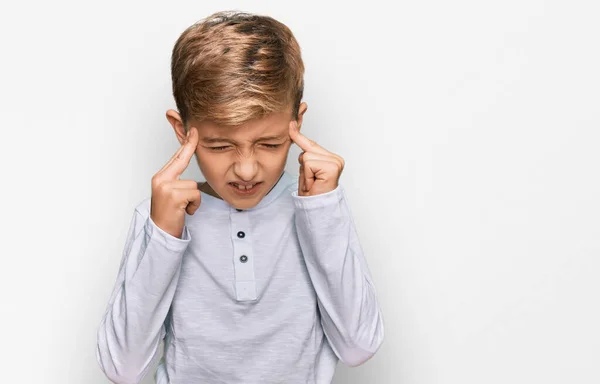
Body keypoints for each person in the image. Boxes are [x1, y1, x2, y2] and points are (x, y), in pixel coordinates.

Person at [95, 10, 384, 384]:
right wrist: (163, 236)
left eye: (269, 143)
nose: (246, 170)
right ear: (182, 132)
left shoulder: (317, 209)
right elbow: (123, 370)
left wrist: (323, 211)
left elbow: (358, 346)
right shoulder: (160, 218)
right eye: (219, 146)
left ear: (297, 123)